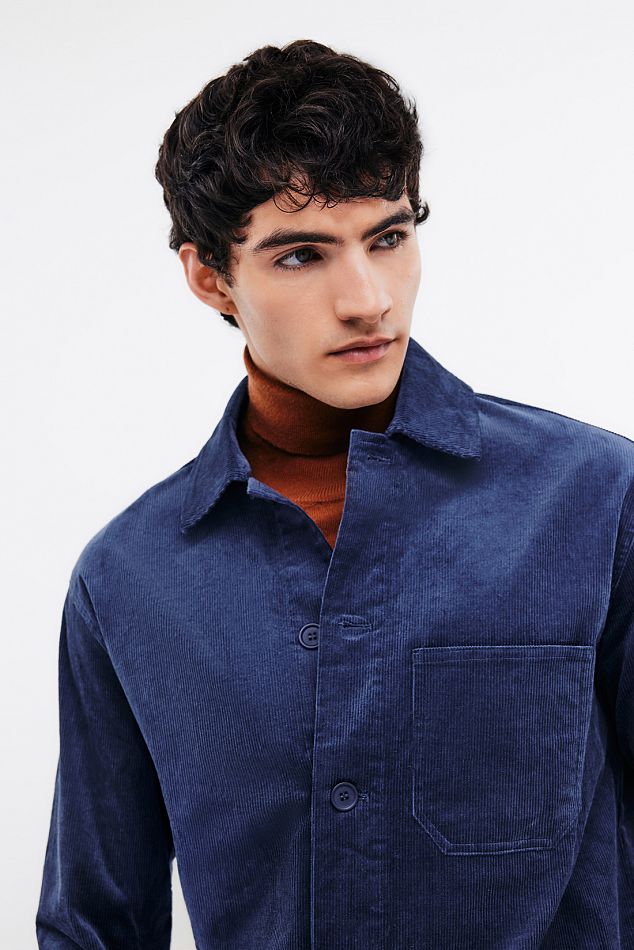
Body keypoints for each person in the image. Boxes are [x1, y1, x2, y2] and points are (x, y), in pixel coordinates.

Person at [36, 38, 634, 950]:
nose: (367, 300)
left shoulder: (594, 500)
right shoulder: (128, 579)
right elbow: (95, 925)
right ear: (210, 277)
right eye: (301, 256)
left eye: (388, 238)